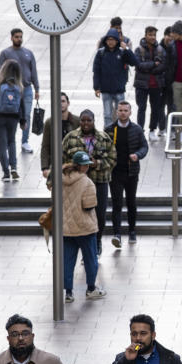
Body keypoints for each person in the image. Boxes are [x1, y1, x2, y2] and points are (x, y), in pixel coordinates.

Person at [62, 109, 115, 254]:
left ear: (93, 121)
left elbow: (112, 159)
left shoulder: (104, 138)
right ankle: (82, 243)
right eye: (83, 120)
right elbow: (62, 159)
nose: (86, 123)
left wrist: (97, 163)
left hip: (99, 181)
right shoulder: (70, 138)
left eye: (88, 120)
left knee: (100, 214)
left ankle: (97, 241)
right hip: (77, 183)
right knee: (79, 213)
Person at [58, 150, 106, 301]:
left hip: (66, 228)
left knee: (67, 261)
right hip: (85, 228)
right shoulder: (87, 182)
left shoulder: (60, 179)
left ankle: (68, 293)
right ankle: (91, 288)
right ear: (81, 166)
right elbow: (89, 205)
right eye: (86, 165)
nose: (87, 167)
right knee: (90, 258)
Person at [107, 101, 149, 247]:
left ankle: (132, 230)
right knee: (117, 203)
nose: (123, 113)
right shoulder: (110, 129)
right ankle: (117, 233)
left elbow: (144, 146)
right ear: (116, 112)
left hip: (131, 173)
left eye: (126, 110)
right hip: (115, 173)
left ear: (130, 112)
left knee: (131, 202)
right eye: (120, 110)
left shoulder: (137, 130)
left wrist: (137, 155)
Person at [0, 59, 28, 181]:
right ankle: (14, 167)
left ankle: (6, 173)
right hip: (13, 118)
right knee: (12, 142)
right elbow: (22, 105)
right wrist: (23, 120)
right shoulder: (19, 86)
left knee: (2, 144)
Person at [93, 28, 137, 128]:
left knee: (121, 115)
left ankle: (120, 132)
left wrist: (126, 49)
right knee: (107, 115)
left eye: (113, 39)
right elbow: (96, 71)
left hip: (119, 89)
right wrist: (96, 87)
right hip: (106, 89)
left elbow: (134, 62)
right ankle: (108, 135)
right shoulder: (101, 53)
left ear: (117, 40)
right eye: (109, 40)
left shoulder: (122, 52)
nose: (111, 42)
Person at [133, 25, 168, 135]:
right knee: (141, 108)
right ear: (145, 35)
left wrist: (150, 68)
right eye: (150, 35)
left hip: (156, 84)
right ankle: (140, 130)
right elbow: (138, 65)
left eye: (154, 35)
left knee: (156, 108)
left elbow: (163, 65)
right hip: (142, 84)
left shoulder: (160, 49)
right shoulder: (139, 50)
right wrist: (153, 64)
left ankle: (152, 129)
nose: (152, 37)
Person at [40, 92, 80, 179]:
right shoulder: (49, 122)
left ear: (68, 103)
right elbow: (45, 146)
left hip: (72, 164)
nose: (61, 104)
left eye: (63, 101)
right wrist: (45, 167)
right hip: (55, 163)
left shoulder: (77, 121)